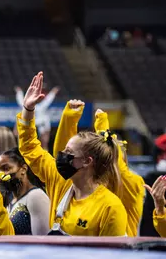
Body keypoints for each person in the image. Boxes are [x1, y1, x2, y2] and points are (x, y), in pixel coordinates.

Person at [17, 71, 127, 236]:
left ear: (87, 161)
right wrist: (28, 109)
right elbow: (29, 147)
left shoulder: (110, 207)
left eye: (68, 153)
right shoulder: (59, 180)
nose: (60, 156)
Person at [52, 100, 145, 237]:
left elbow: (120, 169)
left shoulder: (133, 183)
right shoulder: (94, 180)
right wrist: (68, 120)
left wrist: (103, 131)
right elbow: (68, 152)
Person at [0, 147, 50, 235]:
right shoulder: (9, 200)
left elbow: (43, 241)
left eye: (6, 168)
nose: (1, 175)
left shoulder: (36, 196)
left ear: (23, 169)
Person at [15, 85, 59, 149]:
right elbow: (20, 101)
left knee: (44, 143)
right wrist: (19, 92)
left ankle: (45, 156)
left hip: (42, 126)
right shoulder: (26, 105)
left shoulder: (42, 105)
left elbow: (48, 100)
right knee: (26, 143)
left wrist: (53, 92)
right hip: (31, 126)